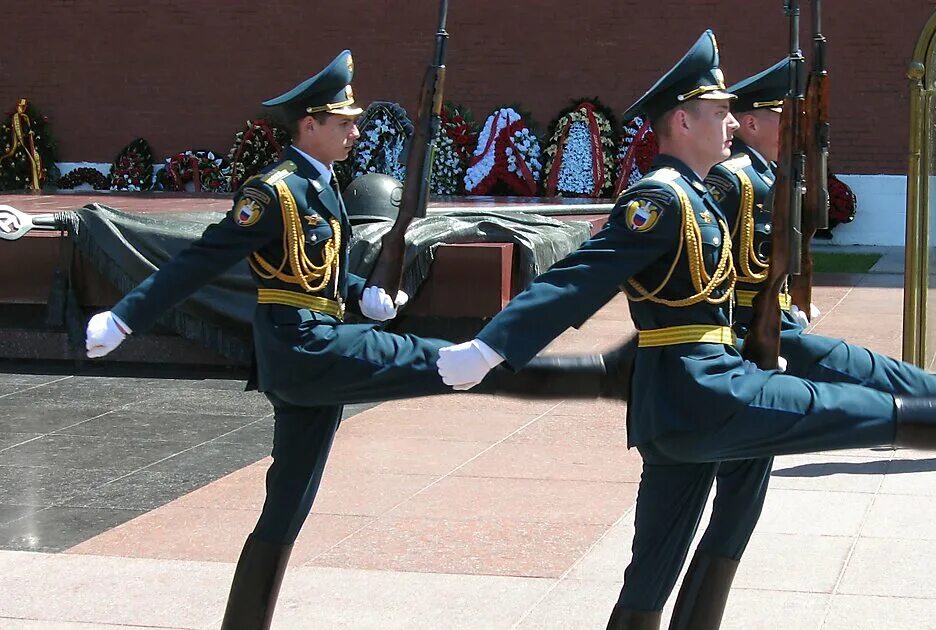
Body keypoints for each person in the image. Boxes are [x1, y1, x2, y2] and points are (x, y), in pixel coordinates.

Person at [436, 33, 936, 629]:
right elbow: (580, 277)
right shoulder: (662, 199)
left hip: (695, 392)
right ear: (682, 122)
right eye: (717, 112)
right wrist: (492, 344)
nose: (732, 122)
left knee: (660, 561)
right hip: (708, 388)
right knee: (864, 409)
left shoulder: (691, 196)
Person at [81, 50, 627, 630]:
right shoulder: (273, 193)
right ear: (308, 126)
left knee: (287, 506)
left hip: (313, 348)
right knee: (451, 362)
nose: (355, 132)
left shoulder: (320, 185)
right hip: (305, 347)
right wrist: (125, 317)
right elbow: (198, 262)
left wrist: (362, 290)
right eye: (342, 123)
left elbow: (316, 266)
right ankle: (598, 374)